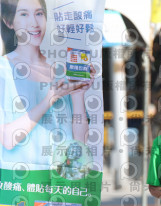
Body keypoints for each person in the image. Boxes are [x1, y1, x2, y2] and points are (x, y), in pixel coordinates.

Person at [0, 0, 93, 170]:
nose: (34, 23)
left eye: (39, 13)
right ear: (9, 22)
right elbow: (7, 139)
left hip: (60, 179)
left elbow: (80, 141)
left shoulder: (63, 71)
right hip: (23, 181)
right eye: (24, 14)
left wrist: (78, 95)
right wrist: (50, 99)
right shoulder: (3, 70)